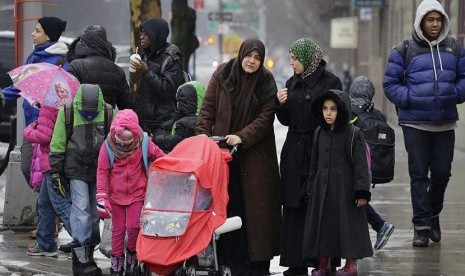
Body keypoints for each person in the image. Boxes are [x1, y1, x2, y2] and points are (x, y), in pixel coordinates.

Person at [196, 38, 281, 276]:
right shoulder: (223, 73)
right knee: (226, 207)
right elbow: (208, 108)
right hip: (221, 156)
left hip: (255, 158)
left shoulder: (266, 81)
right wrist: (202, 135)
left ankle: (255, 263)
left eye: (257, 58)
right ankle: (227, 261)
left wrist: (242, 137)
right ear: (241, 54)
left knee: (254, 212)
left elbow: (266, 118)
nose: (252, 61)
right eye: (249, 56)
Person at [383, 0, 465, 247]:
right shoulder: (403, 50)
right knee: (418, 175)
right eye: (430, 20)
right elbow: (390, 84)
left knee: (442, 174)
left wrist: (454, 94)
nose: (435, 24)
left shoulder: (454, 48)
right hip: (415, 124)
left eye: (439, 20)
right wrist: (410, 98)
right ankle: (421, 226)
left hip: (445, 124)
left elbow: (463, 78)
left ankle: (433, 214)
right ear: (421, 22)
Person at [276, 37, 342, 276]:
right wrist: (280, 106)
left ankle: (324, 261)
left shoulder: (330, 82)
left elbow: (340, 116)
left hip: (321, 148)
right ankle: (296, 263)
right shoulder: (292, 82)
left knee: (320, 204)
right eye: (291, 58)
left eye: (294, 58)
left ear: (306, 58)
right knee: (294, 205)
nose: (291, 62)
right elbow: (286, 120)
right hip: (294, 151)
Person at [302, 89, 373, 276]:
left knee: (348, 228)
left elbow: (361, 167)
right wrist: (311, 189)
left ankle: (351, 266)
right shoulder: (319, 132)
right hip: (323, 189)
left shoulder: (353, 134)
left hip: (346, 190)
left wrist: (362, 192)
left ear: (341, 110)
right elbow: (315, 165)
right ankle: (323, 264)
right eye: (325, 109)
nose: (328, 113)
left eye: (333, 109)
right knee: (324, 227)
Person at [1, 16, 67, 205]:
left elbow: (62, 95)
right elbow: (22, 86)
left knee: (41, 173)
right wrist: (3, 95)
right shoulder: (35, 56)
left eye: (37, 30)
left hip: (49, 129)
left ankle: (49, 218)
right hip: (32, 126)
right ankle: (48, 216)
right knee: (29, 169)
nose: (32, 33)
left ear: (48, 35)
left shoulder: (60, 60)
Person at [49, 84, 112, 275]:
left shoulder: (109, 112)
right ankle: (80, 260)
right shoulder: (68, 112)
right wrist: (56, 172)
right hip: (75, 169)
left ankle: (87, 256)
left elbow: (113, 141)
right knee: (82, 209)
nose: (90, 116)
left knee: (93, 214)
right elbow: (58, 141)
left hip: (98, 170)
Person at [96, 109, 165, 276]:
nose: (122, 145)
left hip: (137, 192)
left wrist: (174, 164)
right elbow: (102, 171)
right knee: (118, 229)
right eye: (120, 140)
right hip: (115, 195)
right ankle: (117, 263)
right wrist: (101, 195)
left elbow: (160, 156)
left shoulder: (144, 142)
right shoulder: (107, 146)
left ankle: (132, 257)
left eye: (127, 141)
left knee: (133, 226)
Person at [349, 76, 395, 250]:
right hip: (369, 169)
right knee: (357, 200)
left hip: (354, 167)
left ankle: (378, 227)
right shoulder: (377, 114)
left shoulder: (350, 112)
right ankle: (379, 227)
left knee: (353, 200)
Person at [24, 104, 73, 257]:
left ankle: (84, 242)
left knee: (60, 204)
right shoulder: (64, 103)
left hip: (52, 161)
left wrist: (28, 130)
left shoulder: (49, 106)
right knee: (44, 203)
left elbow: (43, 137)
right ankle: (45, 244)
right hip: (57, 161)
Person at [131, 17, 186, 136]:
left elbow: (167, 89)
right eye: (141, 33)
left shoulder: (170, 59)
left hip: (163, 124)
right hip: (145, 123)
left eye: (146, 34)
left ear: (155, 35)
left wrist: (146, 72)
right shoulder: (146, 55)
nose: (141, 37)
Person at [66, 25, 133, 110]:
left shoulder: (76, 66)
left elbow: (68, 99)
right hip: (108, 121)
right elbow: (126, 106)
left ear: (82, 43)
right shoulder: (118, 71)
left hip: (79, 121)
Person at [153, 80, 205, 153]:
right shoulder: (204, 120)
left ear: (183, 103)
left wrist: (156, 139)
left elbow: (174, 142)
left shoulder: (183, 123)